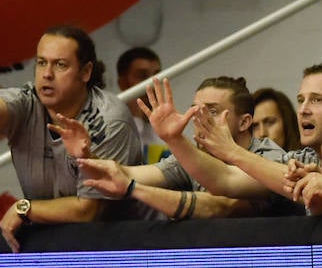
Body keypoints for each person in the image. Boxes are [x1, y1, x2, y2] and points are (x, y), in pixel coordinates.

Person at [0, 26, 142, 252]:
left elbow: (88, 211)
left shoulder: (109, 120)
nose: (47, 74)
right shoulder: (26, 103)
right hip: (51, 238)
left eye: (60, 65)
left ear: (85, 72)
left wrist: (24, 208)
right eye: (41, 62)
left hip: (121, 245)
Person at [72, 76, 291, 220]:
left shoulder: (268, 156)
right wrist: (85, 156)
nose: (198, 118)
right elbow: (125, 174)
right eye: (195, 110)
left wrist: (132, 188)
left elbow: (220, 206)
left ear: (244, 123)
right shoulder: (193, 157)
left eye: (212, 111)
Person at [141, 64, 322, 205]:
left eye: (317, 100)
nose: (303, 109)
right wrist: (174, 139)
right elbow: (225, 180)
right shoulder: (302, 159)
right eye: (301, 100)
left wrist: (231, 151)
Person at [115, 46, 164, 161]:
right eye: (142, 76)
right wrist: (136, 119)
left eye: (157, 75)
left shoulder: (165, 126)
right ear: (123, 83)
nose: (153, 83)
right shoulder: (113, 128)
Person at [252, 86, 302, 151]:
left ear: (287, 123)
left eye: (270, 122)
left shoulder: (309, 158)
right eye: (255, 126)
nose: (262, 134)